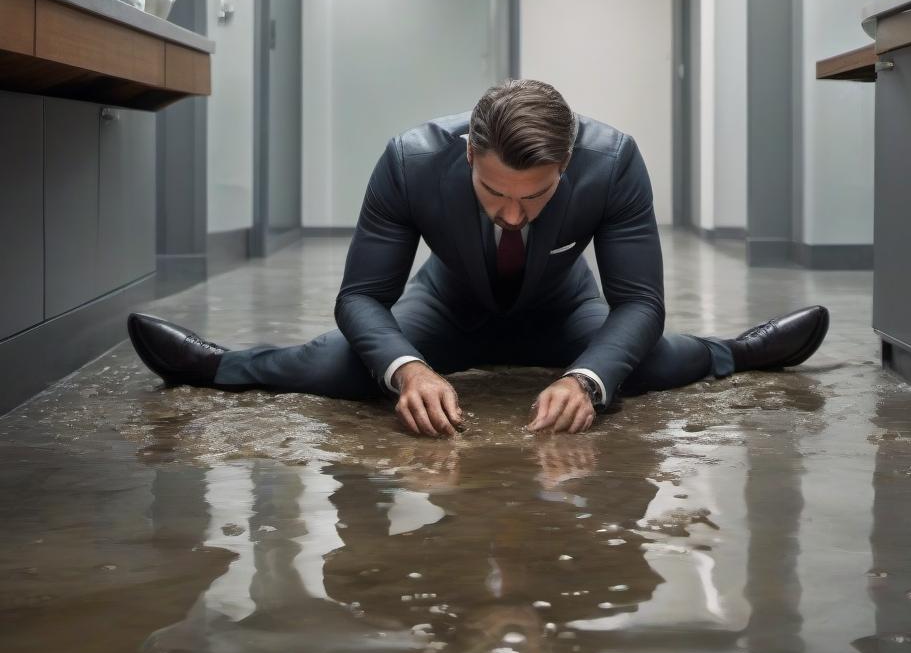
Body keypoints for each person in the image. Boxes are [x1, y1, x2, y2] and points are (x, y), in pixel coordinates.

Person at [128, 79, 829, 437]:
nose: (515, 214)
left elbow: (639, 303)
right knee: (338, 366)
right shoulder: (411, 159)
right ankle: (219, 366)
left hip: (563, 307)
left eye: (538, 195)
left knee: (653, 359)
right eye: (495, 192)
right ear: (468, 153)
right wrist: (407, 369)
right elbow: (361, 298)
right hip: (447, 303)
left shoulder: (612, 162)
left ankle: (739, 352)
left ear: (568, 162)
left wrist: (585, 380)